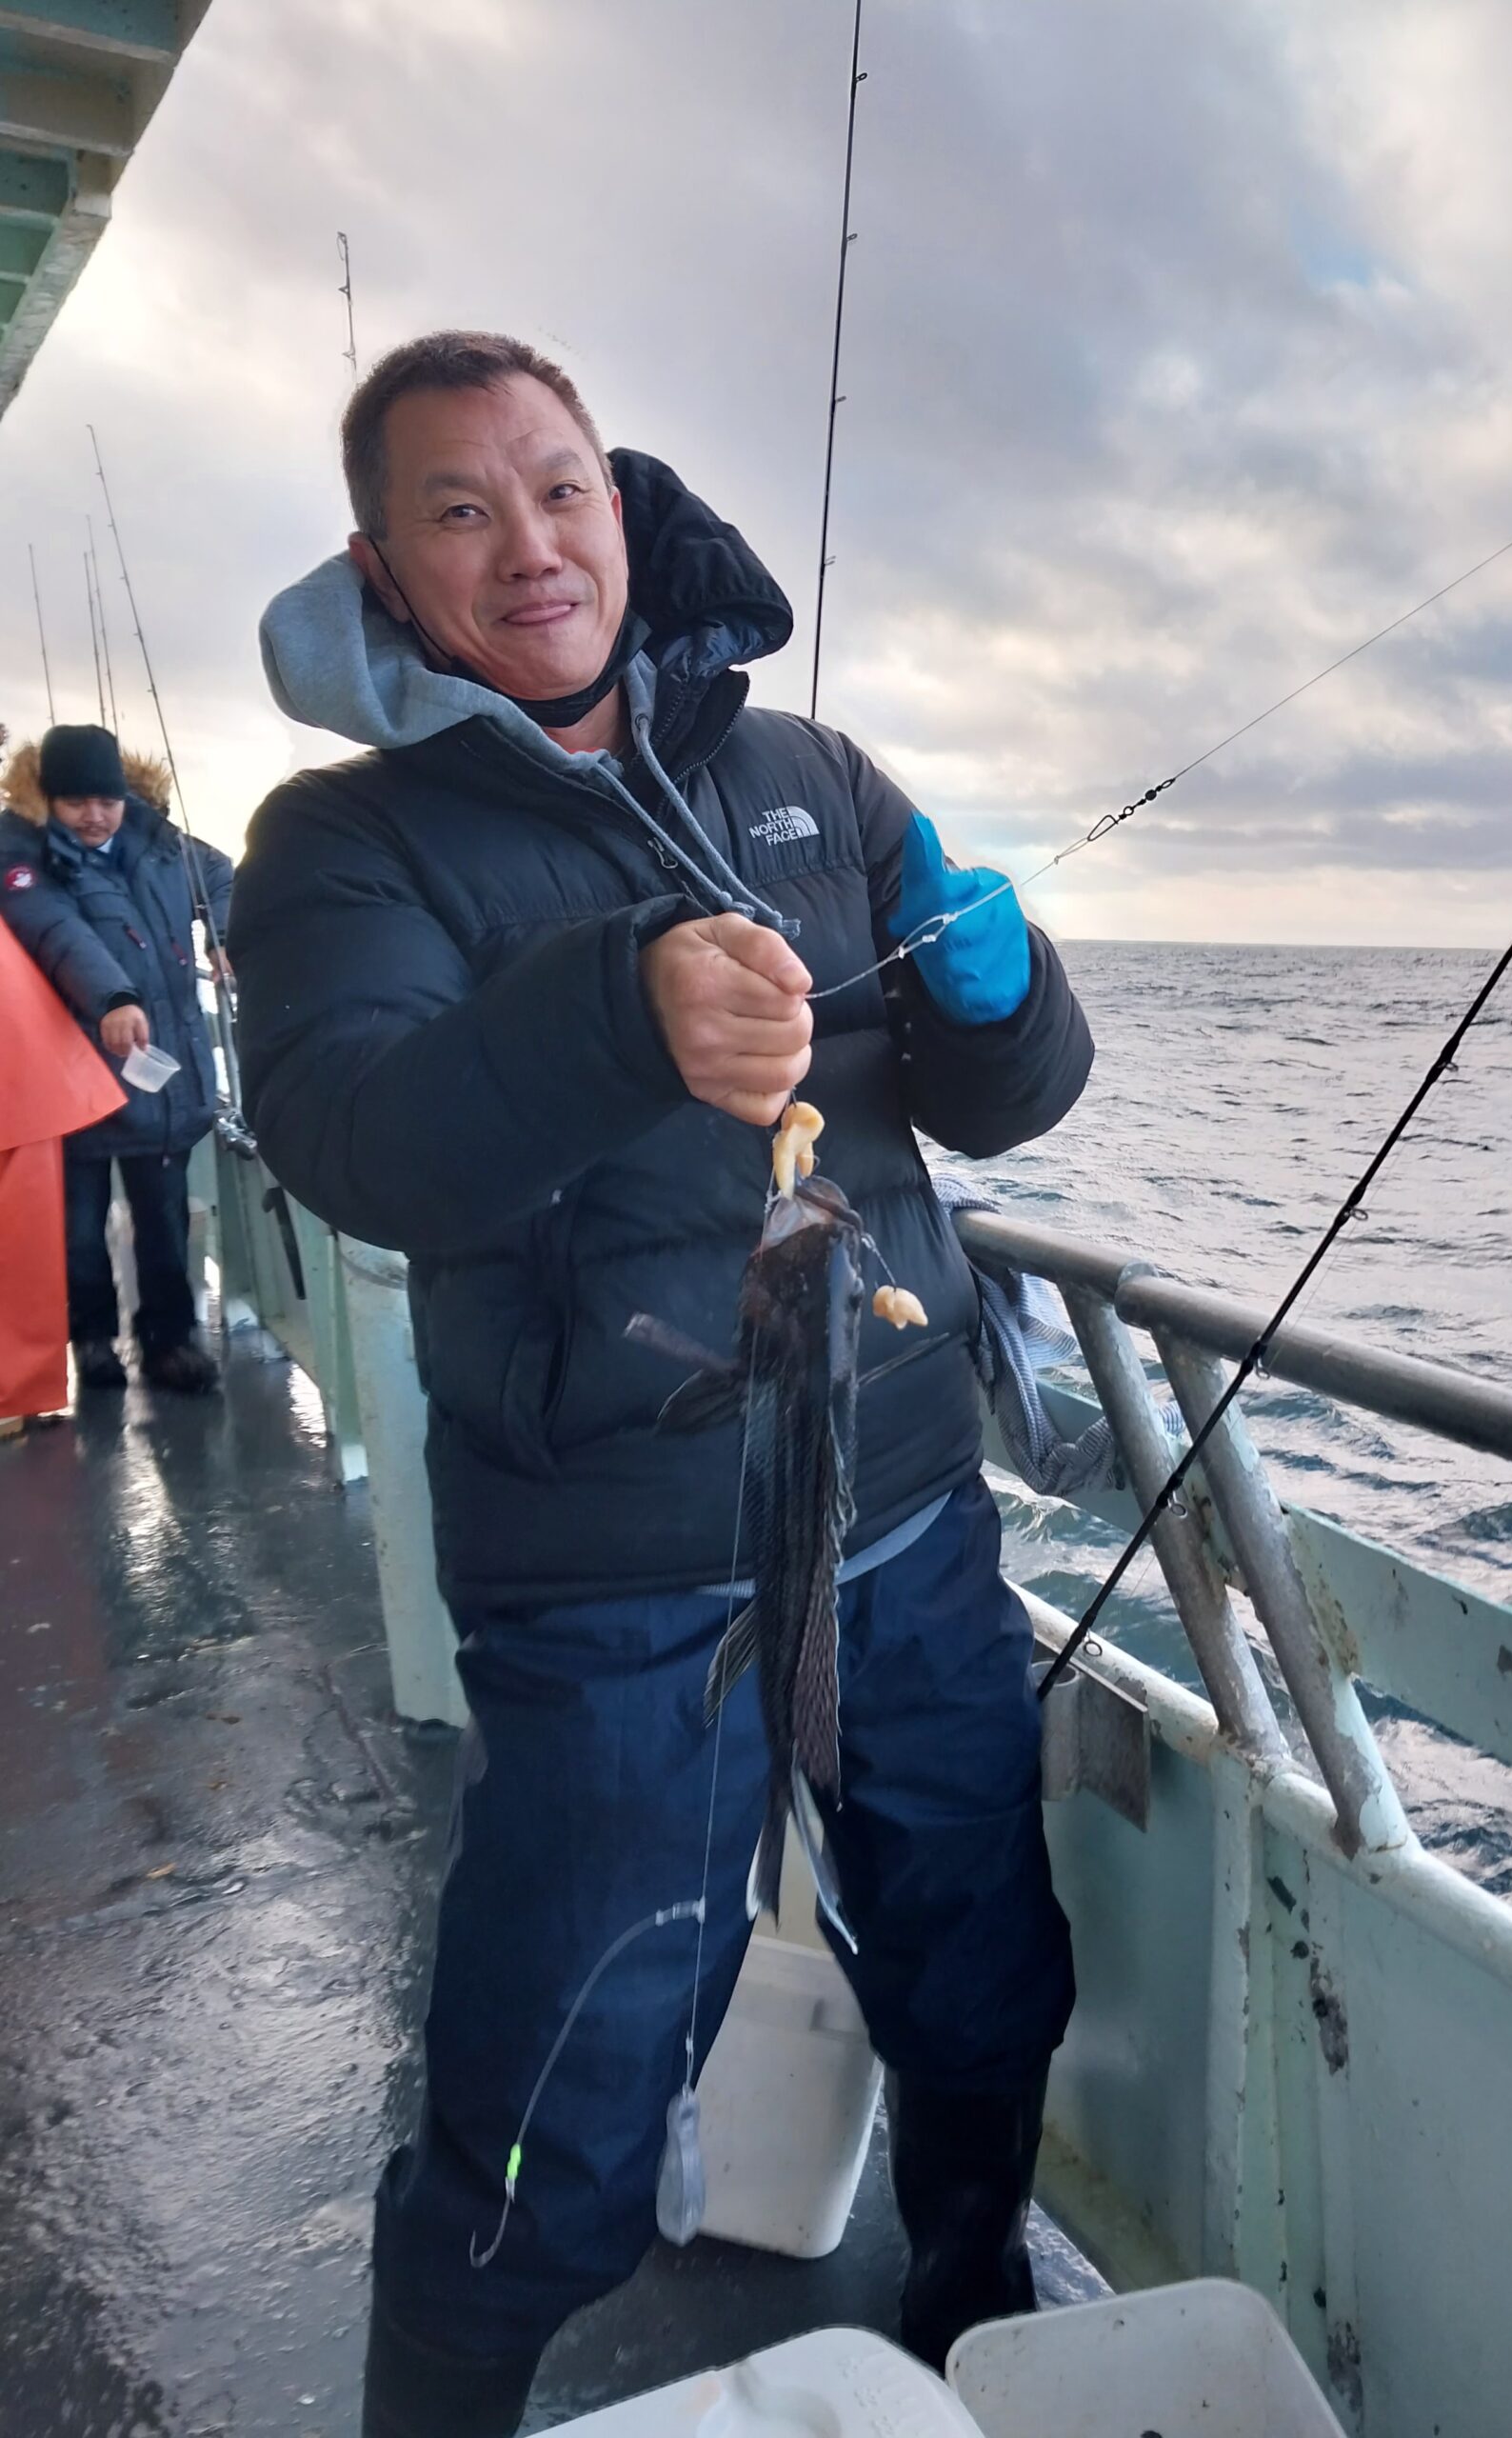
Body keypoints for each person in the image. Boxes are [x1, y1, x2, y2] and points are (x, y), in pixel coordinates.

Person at [230, 330, 1094, 2438]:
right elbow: (356, 1137)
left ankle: (967, 2272)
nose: (529, 544)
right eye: (462, 508)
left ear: (619, 500)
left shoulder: (816, 773)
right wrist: (618, 1013)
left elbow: (1003, 1106)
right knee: (564, 2087)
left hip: (902, 1508)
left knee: (978, 1947)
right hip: (615, 1580)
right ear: (384, 565)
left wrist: (1009, 996)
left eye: (559, 487)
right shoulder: (345, 844)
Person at [0, 725, 232, 1393]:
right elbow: (55, 929)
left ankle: (169, 1343)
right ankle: (93, 1341)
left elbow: (219, 875)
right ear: (48, 800)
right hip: (74, 1087)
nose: (95, 816)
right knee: (76, 1231)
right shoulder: (20, 857)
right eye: (76, 803)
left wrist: (225, 934)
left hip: (163, 1081)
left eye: (106, 800)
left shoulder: (160, 844)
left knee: (163, 1223)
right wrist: (114, 997)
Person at [0, 869, 128, 1435]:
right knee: (29, 1239)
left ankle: (19, 1390)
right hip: (25, 1069)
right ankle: (18, 1389)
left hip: (23, 1067)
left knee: (31, 1237)